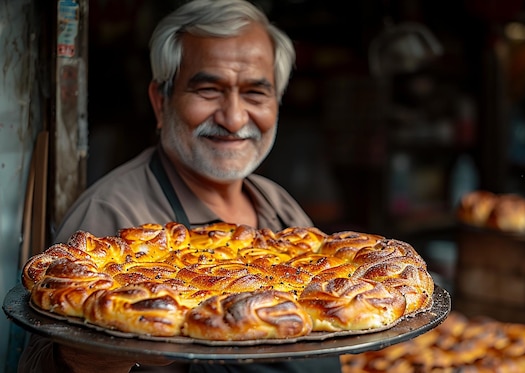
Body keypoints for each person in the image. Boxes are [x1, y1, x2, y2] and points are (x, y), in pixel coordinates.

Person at [18, 0, 343, 372]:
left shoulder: (278, 206)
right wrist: (95, 351)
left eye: (255, 93)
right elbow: (41, 364)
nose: (234, 119)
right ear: (161, 102)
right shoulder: (111, 218)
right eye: (208, 90)